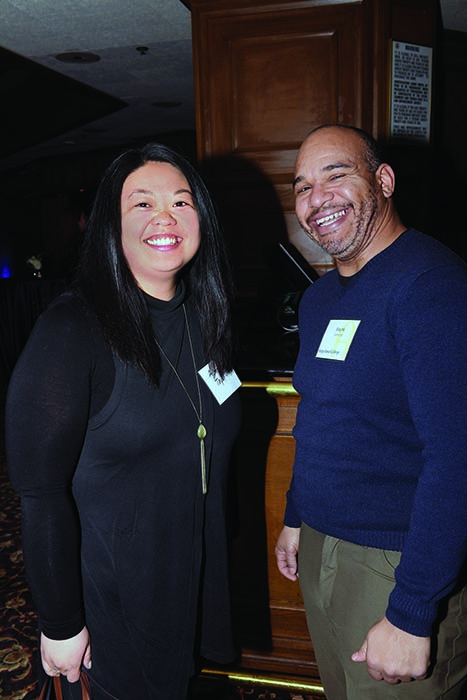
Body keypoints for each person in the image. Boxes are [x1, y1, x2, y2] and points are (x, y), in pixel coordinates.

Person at [6, 143, 242, 700]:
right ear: (110, 227)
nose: (165, 216)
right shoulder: (72, 331)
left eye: (181, 202)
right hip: (115, 598)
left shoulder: (207, 315)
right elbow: (40, 494)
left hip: (192, 574)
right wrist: (62, 623)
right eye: (141, 204)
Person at [275, 124, 467, 699]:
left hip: (397, 561)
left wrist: (411, 610)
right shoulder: (319, 297)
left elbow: (456, 458)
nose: (317, 198)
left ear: (382, 181)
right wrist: (294, 513)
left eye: (337, 174)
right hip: (322, 542)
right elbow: (321, 418)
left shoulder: (431, 286)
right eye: (303, 186)